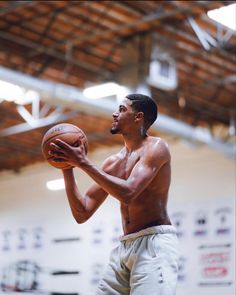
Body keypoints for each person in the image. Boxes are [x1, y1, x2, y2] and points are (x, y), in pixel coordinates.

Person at [49, 93, 179, 295]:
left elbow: (129, 192)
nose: (114, 113)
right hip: (125, 245)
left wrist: (82, 162)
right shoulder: (112, 162)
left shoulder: (156, 147)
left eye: (121, 109)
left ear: (138, 117)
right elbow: (82, 212)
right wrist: (67, 167)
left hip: (154, 244)